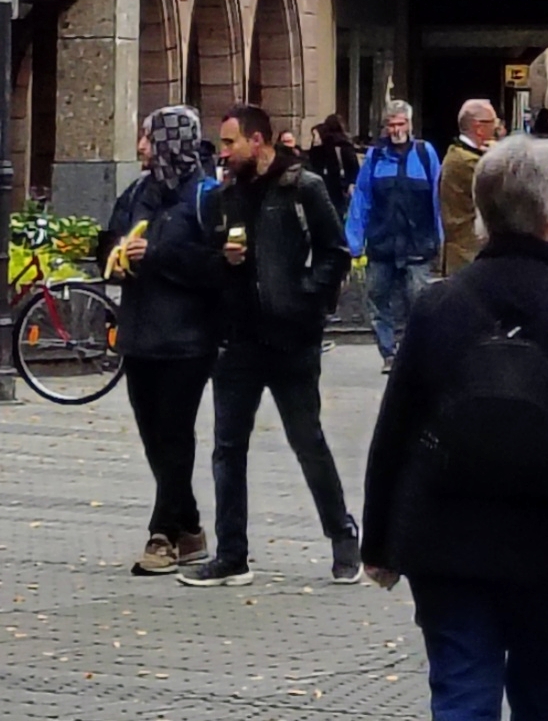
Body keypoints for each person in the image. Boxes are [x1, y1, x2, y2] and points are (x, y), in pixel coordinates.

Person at [356, 131, 548, 721]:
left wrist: (378, 544)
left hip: (447, 540)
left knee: (461, 694)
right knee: (545, 697)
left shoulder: (438, 306)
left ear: (481, 216)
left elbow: (394, 429)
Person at [191, 101, 359, 586]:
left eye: (230, 142)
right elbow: (208, 261)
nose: (223, 153)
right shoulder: (225, 197)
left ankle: (342, 535)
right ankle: (232, 555)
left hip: (291, 339)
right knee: (227, 448)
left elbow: (336, 253)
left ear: (257, 141)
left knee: (307, 440)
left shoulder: (302, 187)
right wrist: (222, 260)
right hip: (239, 340)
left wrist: (305, 298)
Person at [106, 107, 223, 575]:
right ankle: (189, 526)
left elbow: (218, 266)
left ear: (172, 143)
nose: (141, 147)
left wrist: (156, 254)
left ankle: (163, 534)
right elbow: (109, 238)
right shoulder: (138, 192)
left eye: (149, 138)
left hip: (188, 339)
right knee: (153, 435)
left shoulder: (207, 197)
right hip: (139, 335)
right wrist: (117, 255)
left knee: (174, 433)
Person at [349, 102, 447, 364]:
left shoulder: (425, 154)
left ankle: (413, 353)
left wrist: (441, 240)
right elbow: (362, 200)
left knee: (419, 302)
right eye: (391, 124)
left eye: (401, 123)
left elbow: (438, 200)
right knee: (378, 299)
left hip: (418, 246)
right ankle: (389, 353)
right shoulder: (375, 157)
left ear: (410, 124)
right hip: (382, 245)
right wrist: (355, 243)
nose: (396, 129)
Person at [437, 100, 500, 280]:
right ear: (479, 127)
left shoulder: (460, 154)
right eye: (493, 122)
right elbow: (505, 190)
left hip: (468, 252)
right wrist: (499, 154)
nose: (497, 128)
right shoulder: (466, 162)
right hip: (467, 254)